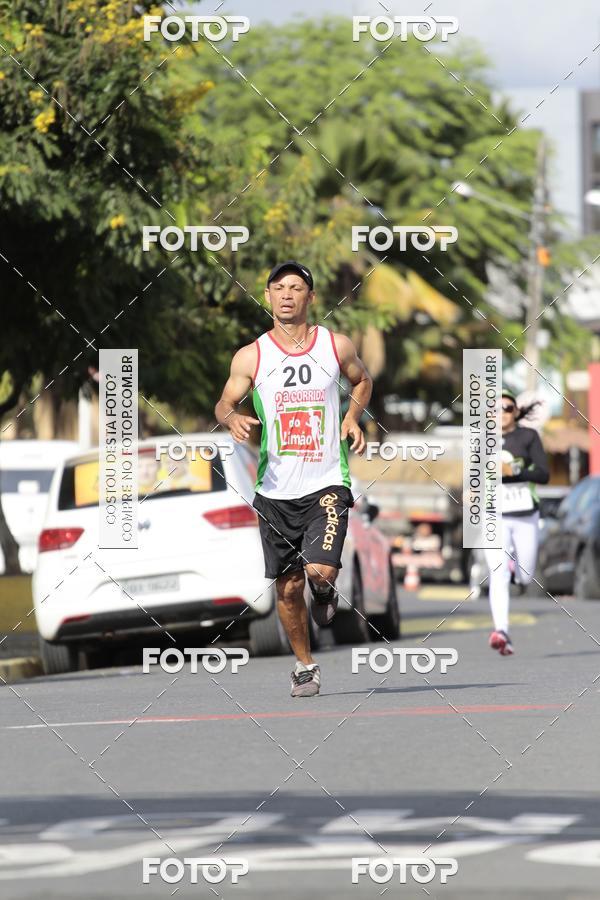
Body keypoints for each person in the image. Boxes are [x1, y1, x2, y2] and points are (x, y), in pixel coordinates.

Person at [215, 260, 372, 697]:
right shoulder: (251, 356)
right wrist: (232, 419)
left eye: (296, 287)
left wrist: (353, 418)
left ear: (311, 297)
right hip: (274, 491)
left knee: (319, 572)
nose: (287, 294)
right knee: (287, 589)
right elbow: (224, 403)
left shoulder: (334, 346)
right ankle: (305, 666)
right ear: (267, 297)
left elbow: (362, 381)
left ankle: (325, 591)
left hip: (326, 481)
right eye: (279, 287)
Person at [484, 388, 549, 656]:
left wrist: (514, 470)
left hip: (524, 515)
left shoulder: (528, 437)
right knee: (496, 573)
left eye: (507, 408)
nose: (501, 413)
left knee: (526, 575)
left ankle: (517, 572)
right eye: (496, 409)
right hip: (494, 516)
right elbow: (473, 475)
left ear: (516, 412)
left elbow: (543, 473)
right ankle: (502, 631)